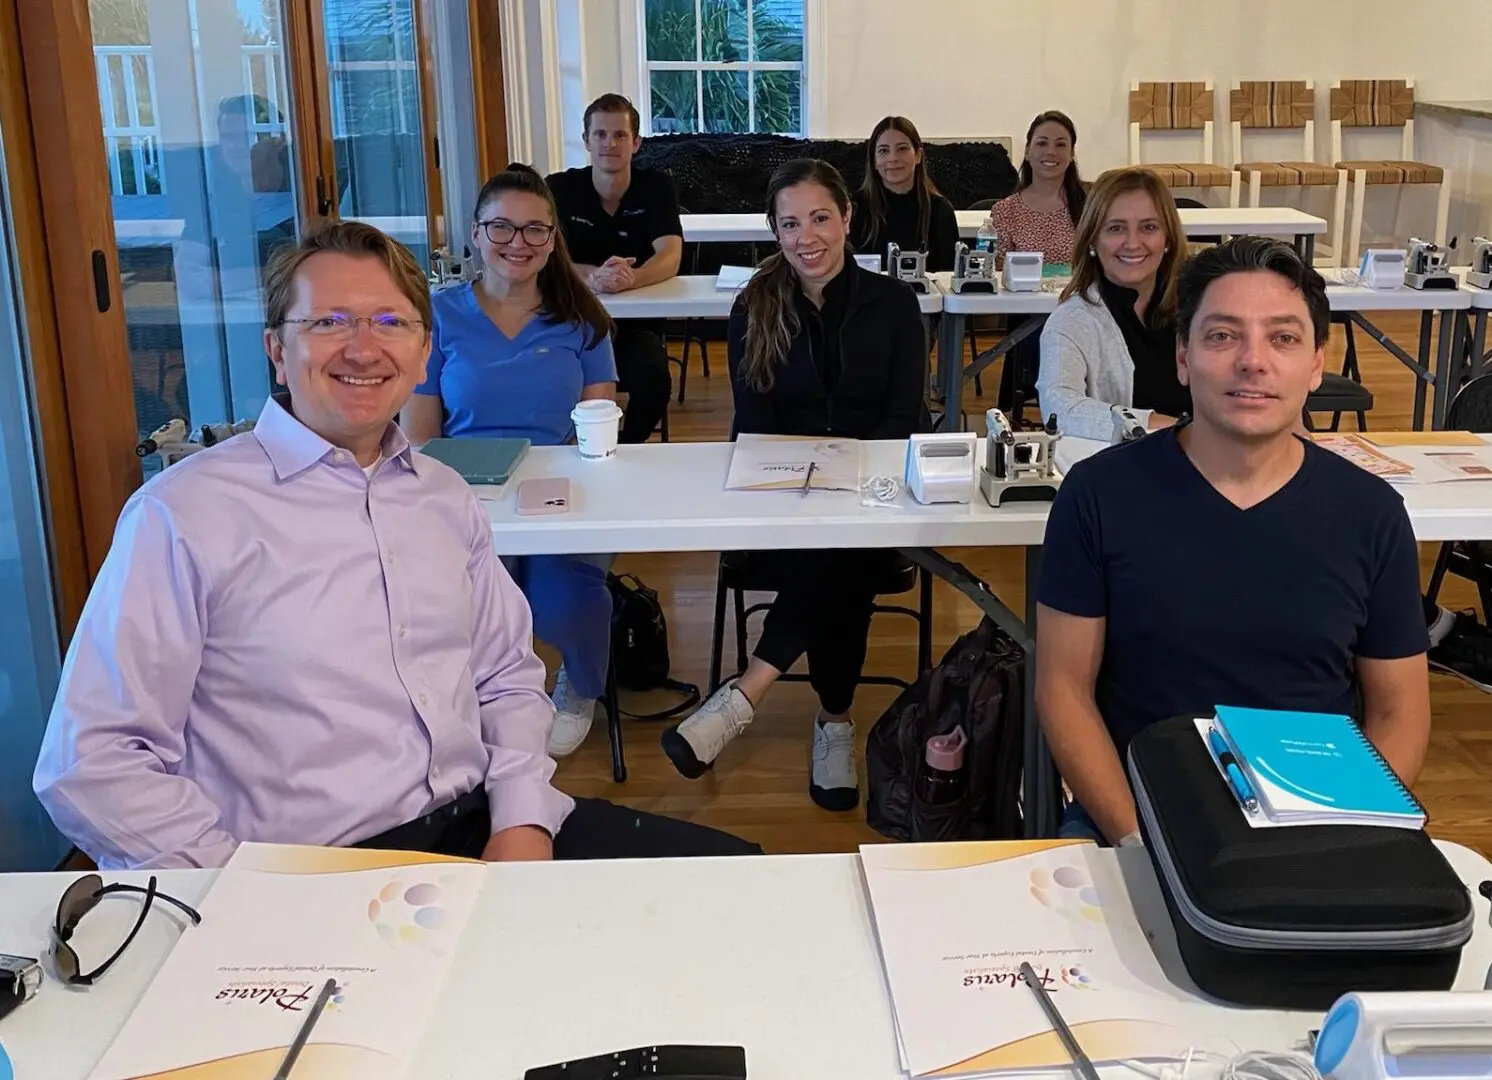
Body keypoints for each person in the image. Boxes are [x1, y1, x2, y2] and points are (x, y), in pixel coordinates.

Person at [33, 220, 759, 869]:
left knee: (749, 899)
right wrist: (241, 888)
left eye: (389, 321)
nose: (362, 346)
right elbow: (91, 762)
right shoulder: (184, 515)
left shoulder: (443, 498)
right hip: (306, 870)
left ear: (422, 355)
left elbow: (506, 677)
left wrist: (524, 820)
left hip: (481, 828)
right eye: (328, 321)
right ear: (277, 352)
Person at [1035, 236, 1431, 847]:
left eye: (1283, 338)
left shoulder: (1371, 513)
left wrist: (1352, 833)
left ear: (1318, 364)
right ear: (1183, 358)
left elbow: (1398, 710)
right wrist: (1141, 843)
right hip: (1140, 812)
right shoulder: (1097, 496)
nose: (1253, 361)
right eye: (1222, 336)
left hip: (1321, 819)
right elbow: (1064, 690)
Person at [660, 159, 928, 811]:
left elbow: (904, 420)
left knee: (842, 552)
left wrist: (850, 475)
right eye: (789, 223)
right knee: (834, 564)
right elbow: (753, 424)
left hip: (872, 494)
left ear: (847, 219)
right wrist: (807, 477)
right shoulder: (755, 306)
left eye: (819, 218)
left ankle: (749, 689)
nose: (806, 237)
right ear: (774, 232)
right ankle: (833, 720)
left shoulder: (894, 305)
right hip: (782, 496)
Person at [403, 166, 617, 760]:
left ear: (552, 240)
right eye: (501, 227)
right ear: (475, 233)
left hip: (559, 493)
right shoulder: (439, 318)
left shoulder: (583, 321)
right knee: (461, 599)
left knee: (563, 600)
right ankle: (470, 695)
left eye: (533, 230)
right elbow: (420, 438)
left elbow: (596, 436)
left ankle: (580, 684)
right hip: (464, 493)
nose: (517, 243)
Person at [546, 94, 679, 444]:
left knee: (655, 380)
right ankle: (572, 445)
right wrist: (593, 276)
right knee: (550, 377)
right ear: (586, 140)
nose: (610, 143)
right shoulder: (558, 189)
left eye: (620, 135)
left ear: (635, 142)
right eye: (600, 134)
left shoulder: (656, 186)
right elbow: (546, 257)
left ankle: (625, 447)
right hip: (572, 320)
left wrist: (631, 278)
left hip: (635, 326)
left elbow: (670, 254)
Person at [1036, 167, 1191, 441]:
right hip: (1131, 470)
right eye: (1116, 228)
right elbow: (1059, 408)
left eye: (1149, 227)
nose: (1132, 243)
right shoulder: (1071, 321)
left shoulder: (1199, 307)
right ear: (1092, 239)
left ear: (1167, 239)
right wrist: (1174, 429)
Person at [988, 110, 1087, 417]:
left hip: (1084, 312)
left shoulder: (1090, 205)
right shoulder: (1006, 210)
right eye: (1042, 143)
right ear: (1028, 151)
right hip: (1028, 317)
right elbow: (998, 270)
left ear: (1071, 154)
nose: (1051, 152)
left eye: (1061, 144)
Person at [851, 116, 960, 273]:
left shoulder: (940, 210)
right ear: (874, 160)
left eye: (902, 149)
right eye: (883, 151)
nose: (893, 158)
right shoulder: (855, 209)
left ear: (918, 155)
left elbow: (948, 275)